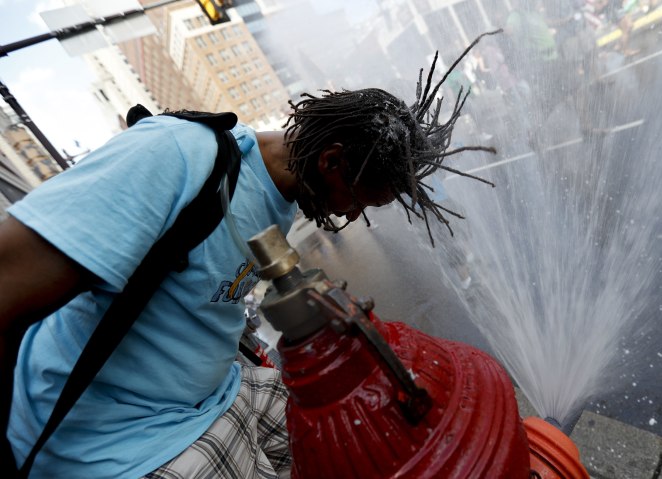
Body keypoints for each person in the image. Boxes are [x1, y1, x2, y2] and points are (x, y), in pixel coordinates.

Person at [0, 33, 498, 478]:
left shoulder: (277, 197)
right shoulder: (174, 157)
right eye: (357, 203)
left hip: (218, 394)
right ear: (332, 161)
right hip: (120, 439)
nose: (348, 219)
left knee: (365, 438)